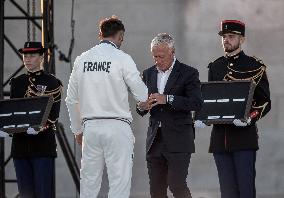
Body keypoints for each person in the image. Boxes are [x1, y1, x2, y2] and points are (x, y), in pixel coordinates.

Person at [65, 16, 148, 198]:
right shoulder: (123, 58)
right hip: (117, 126)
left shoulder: (82, 59)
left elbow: (71, 100)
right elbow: (142, 96)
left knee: (89, 184)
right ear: (120, 36)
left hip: (90, 128)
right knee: (119, 183)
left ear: (100, 35)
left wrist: (77, 130)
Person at [196, 20, 271, 198]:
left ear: (242, 39)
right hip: (220, 140)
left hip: (244, 139)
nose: (226, 40)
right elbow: (212, 99)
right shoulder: (215, 66)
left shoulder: (254, 66)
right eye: (224, 37)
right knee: (227, 192)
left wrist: (250, 118)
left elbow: (265, 102)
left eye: (231, 36)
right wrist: (202, 117)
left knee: (245, 191)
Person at [137, 33, 203, 198]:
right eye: (155, 56)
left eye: (162, 56)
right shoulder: (148, 74)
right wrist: (142, 106)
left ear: (172, 52)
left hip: (179, 139)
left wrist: (168, 99)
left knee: (176, 185)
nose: (158, 60)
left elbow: (196, 103)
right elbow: (141, 107)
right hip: (155, 140)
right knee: (156, 191)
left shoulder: (189, 73)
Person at [9, 41, 62, 198]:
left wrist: (40, 127)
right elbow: (14, 111)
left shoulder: (52, 82)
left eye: (32, 55)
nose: (27, 59)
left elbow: (53, 115)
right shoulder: (17, 82)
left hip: (42, 146)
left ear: (41, 57)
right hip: (20, 146)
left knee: (43, 192)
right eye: (25, 55)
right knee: (25, 193)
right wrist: (8, 128)